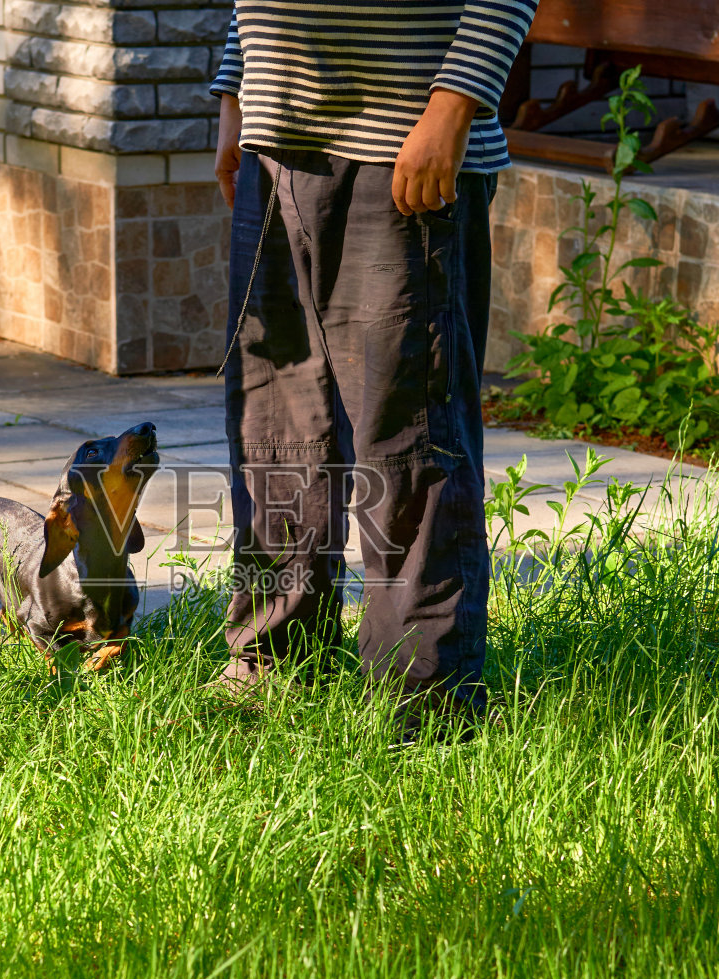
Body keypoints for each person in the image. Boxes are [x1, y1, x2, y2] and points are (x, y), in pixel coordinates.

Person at [210, 1, 537, 735]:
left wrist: (454, 106)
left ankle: (423, 699)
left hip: (403, 138)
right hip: (275, 138)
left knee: (410, 431)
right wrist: (237, 91)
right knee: (276, 419)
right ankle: (274, 657)